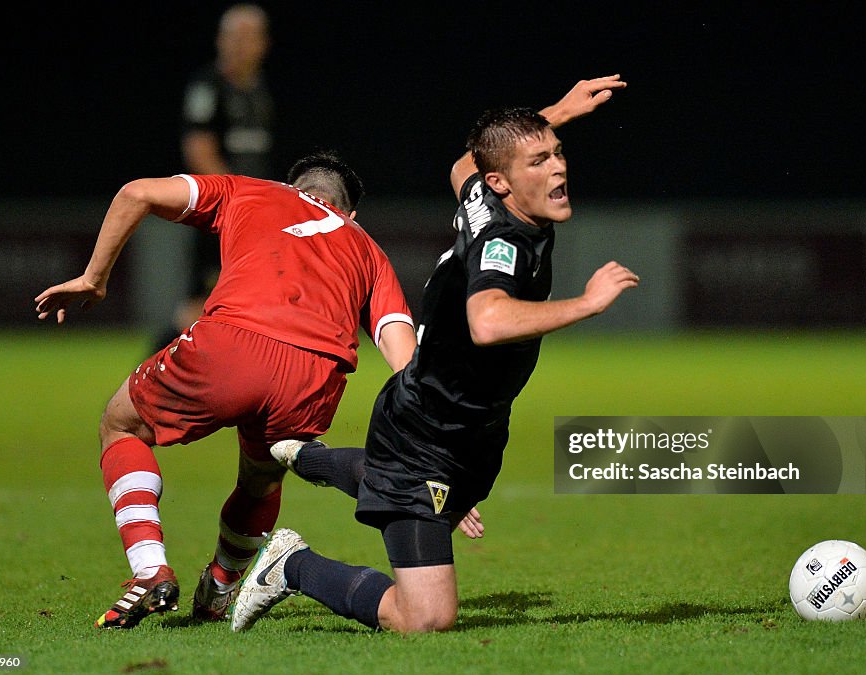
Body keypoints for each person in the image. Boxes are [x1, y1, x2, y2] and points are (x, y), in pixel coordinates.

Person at [229, 74, 639, 634]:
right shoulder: (505, 242)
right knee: (426, 617)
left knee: (431, 499)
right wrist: (588, 304)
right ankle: (289, 565)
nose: (559, 168)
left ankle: (303, 457)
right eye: (540, 160)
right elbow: (489, 320)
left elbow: (463, 167)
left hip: (473, 427)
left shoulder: (484, 193)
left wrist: (555, 116)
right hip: (422, 436)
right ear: (504, 183)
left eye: (558, 154)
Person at [34, 151, 417, 629]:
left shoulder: (253, 190)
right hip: (315, 377)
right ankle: (219, 589)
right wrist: (430, 453)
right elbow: (404, 357)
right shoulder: (369, 249)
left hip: (234, 345)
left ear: (291, 185)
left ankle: (150, 569)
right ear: (351, 212)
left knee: (121, 425)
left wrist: (95, 278)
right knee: (262, 478)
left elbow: (136, 192)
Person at [154, 3, 278, 352]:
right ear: (219, 40)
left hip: (252, 213)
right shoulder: (208, 87)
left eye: (248, 37)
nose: (239, 45)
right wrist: (235, 199)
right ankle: (144, 380)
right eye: (232, 36)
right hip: (221, 213)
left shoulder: (258, 90)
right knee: (199, 306)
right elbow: (198, 149)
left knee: (236, 303)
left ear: (264, 44)